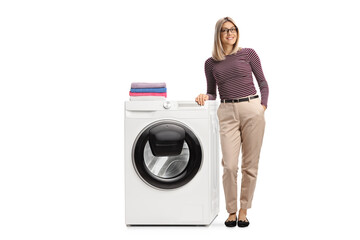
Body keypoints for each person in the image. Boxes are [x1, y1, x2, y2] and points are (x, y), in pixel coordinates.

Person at [195, 17, 269, 228]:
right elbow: (212, 93)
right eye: (225, 30)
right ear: (218, 34)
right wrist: (204, 97)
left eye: (233, 29)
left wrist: (262, 106)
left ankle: (244, 210)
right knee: (229, 165)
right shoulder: (211, 63)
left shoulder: (248, 54)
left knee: (250, 165)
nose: (230, 33)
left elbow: (263, 82)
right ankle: (231, 211)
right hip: (226, 111)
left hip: (252, 109)